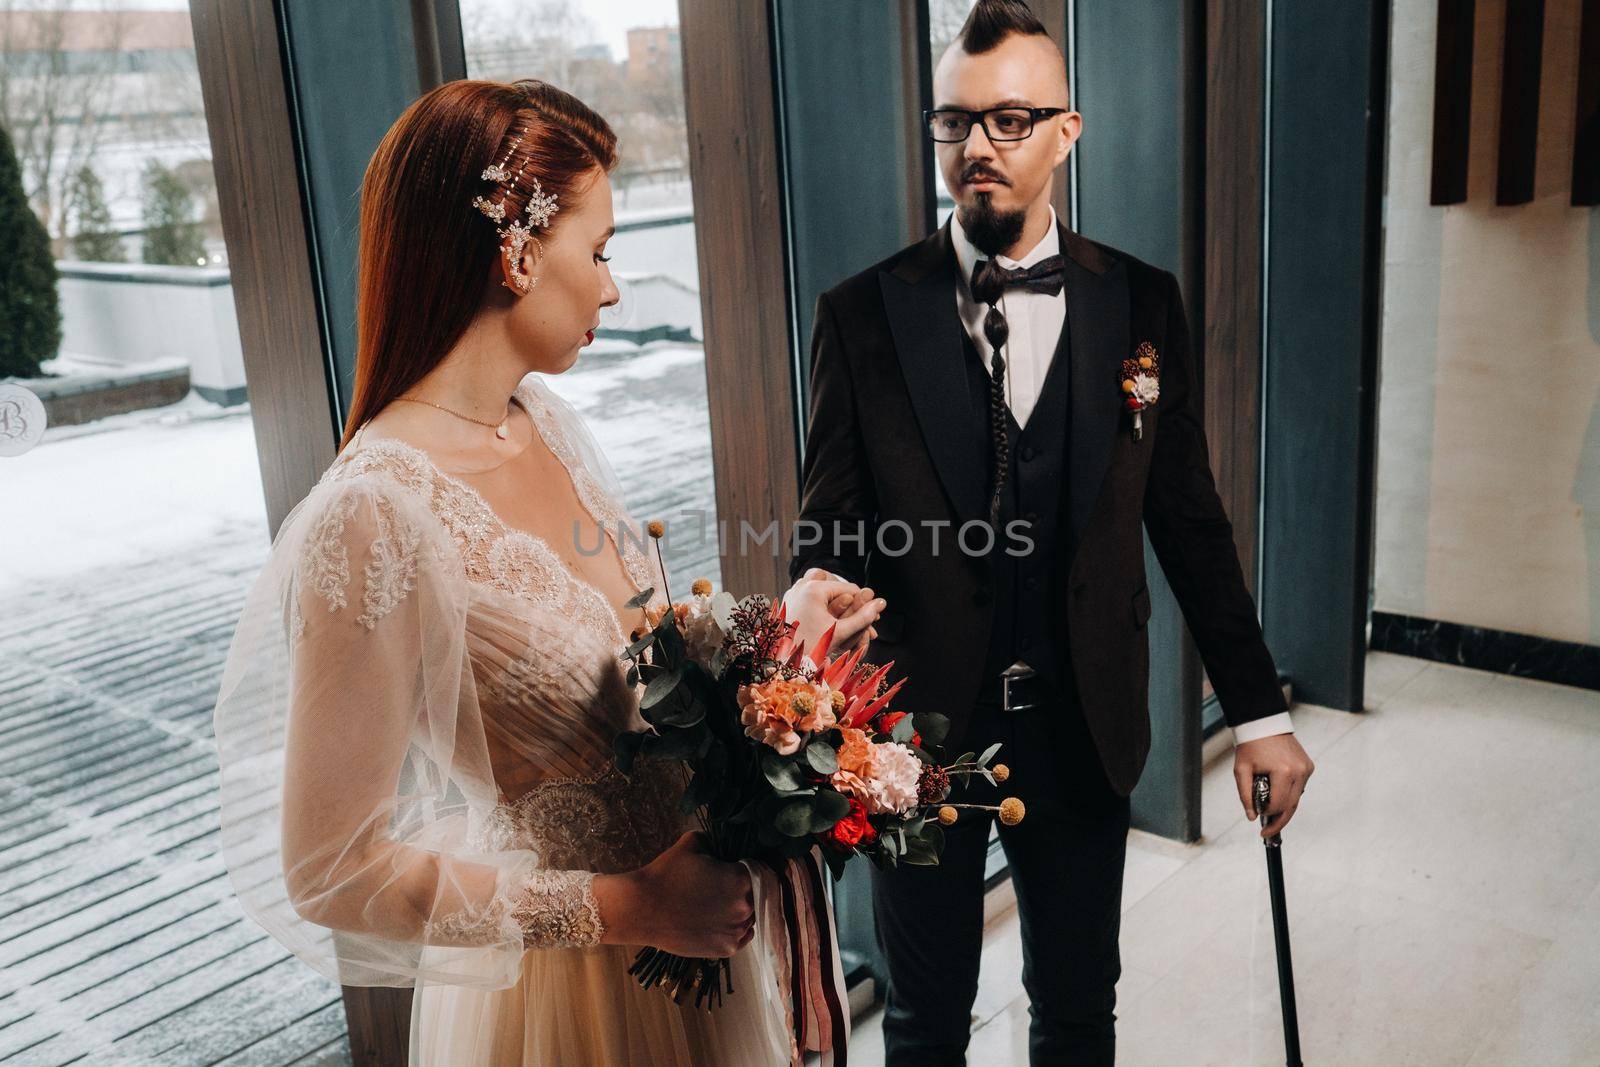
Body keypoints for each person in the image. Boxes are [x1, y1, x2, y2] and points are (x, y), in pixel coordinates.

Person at [211, 78, 880, 1066]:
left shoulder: (546, 425)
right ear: (516, 253)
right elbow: (328, 868)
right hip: (568, 1003)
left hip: (692, 945)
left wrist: (771, 629)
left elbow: (630, 648)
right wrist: (631, 906)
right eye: (600, 251)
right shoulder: (374, 512)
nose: (612, 286)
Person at [789, 2, 1315, 1063]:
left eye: (1010, 119)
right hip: (912, 739)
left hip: (1084, 717)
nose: (977, 145)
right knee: (924, 1020)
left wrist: (1254, 708)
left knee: (1077, 1008)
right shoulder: (859, 314)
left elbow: (1188, 518)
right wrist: (813, 592)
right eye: (954, 121)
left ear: (1067, 132)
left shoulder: (1141, 304)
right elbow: (829, 526)